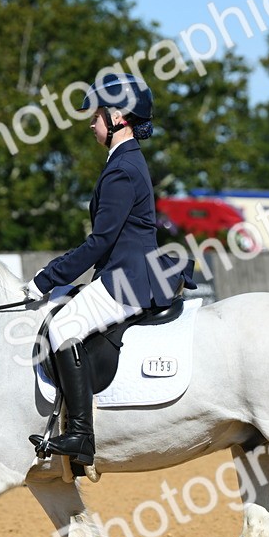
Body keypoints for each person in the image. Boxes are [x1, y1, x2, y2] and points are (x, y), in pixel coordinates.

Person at [25, 73, 194, 465]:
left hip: (128, 280)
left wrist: (44, 279)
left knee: (63, 328)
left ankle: (81, 435)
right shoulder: (126, 161)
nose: (91, 122)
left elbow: (99, 242)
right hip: (126, 272)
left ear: (119, 116)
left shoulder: (122, 169)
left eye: (97, 114)